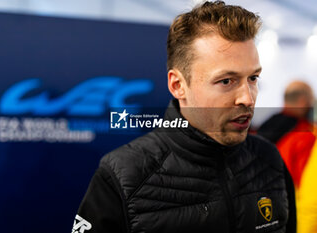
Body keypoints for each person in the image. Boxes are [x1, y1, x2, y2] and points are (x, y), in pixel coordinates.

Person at [72, 1, 296, 232]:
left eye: (253, 78)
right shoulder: (122, 175)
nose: (247, 99)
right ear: (178, 85)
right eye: (226, 81)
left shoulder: (269, 161)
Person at [257, 80, 315, 187]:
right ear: (302, 101)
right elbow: (306, 181)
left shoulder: (266, 125)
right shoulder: (304, 133)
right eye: (312, 101)